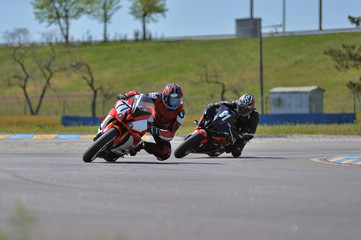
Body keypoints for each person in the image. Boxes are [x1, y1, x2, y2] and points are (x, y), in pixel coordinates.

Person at [117, 83, 185, 161]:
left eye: (177, 100)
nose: (174, 103)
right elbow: (139, 95)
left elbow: (170, 134)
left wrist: (158, 131)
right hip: (148, 120)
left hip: (160, 130)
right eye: (171, 100)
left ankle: (142, 145)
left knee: (165, 153)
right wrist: (126, 96)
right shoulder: (157, 96)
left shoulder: (180, 114)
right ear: (164, 96)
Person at [206, 93, 259, 157]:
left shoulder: (254, 116)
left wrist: (239, 135)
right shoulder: (236, 103)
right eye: (241, 107)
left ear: (251, 108)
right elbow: (225, 103)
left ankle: (221, 147)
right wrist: (215, 105)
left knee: (236, 152)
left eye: (245, 109)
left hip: (241, 132)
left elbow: (251, 134)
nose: (242, 110)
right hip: (230, 124)